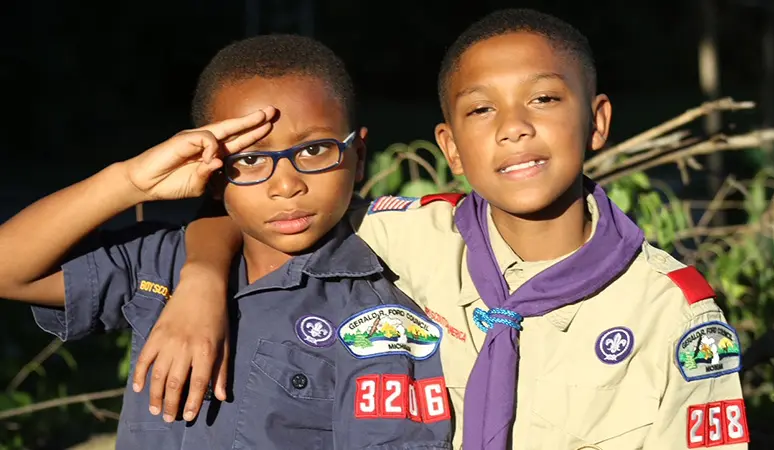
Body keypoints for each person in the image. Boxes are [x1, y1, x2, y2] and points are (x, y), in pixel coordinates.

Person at [138, 9, 749, 450]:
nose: (513, 128)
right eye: (482, 109)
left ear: (597, 122)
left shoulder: (675, 315)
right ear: (451, 148)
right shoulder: (408, 239)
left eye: (544, 99)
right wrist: (198, 282)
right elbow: (264, 222)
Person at [0, 35, 453, 450]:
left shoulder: (377, 318)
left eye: (314, 150)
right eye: (251, 159)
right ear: (215, 176)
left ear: (357, 158)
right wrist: (130, 182)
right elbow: (10, 269)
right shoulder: (163, 265)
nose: (286, 185)